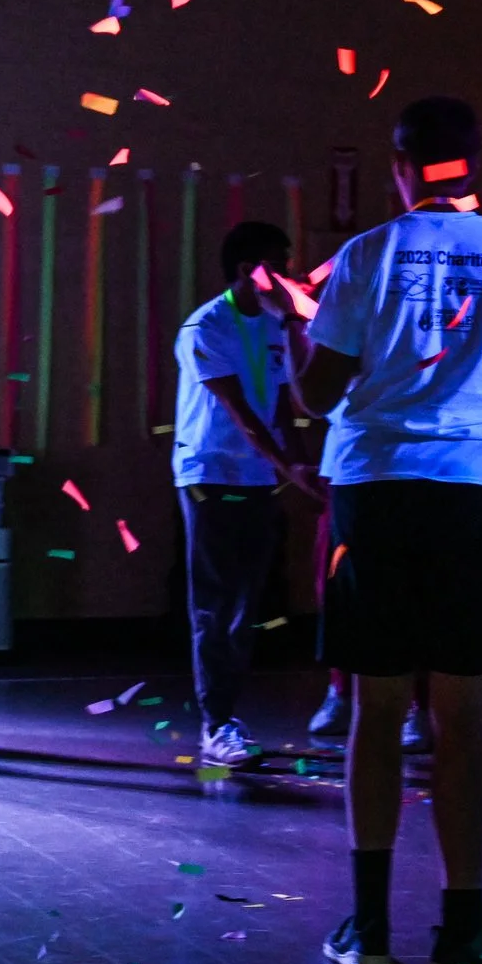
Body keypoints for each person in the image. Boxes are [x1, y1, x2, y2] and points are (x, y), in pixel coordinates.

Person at [298, 95, 482, 964]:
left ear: (400, 166)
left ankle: (370, 929)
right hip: (473, 497)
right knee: (461, 718)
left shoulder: (365, 256)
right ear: (477, 165)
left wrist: (325, 340)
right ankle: (464, 931)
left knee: (377, 713)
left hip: (376, 494)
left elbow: (316, 391)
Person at [173, 219, 325, 767]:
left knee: (247, 605)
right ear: (248, 271)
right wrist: (290, 468)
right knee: (215, 605)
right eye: (279, 266)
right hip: (210, 477)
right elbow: (242, 415)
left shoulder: (273, 326)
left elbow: (284, 404)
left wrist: (301, 463)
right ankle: (215, 726)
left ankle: (226, 716)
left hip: (258, 478)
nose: (290, 277)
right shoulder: (206, 328)